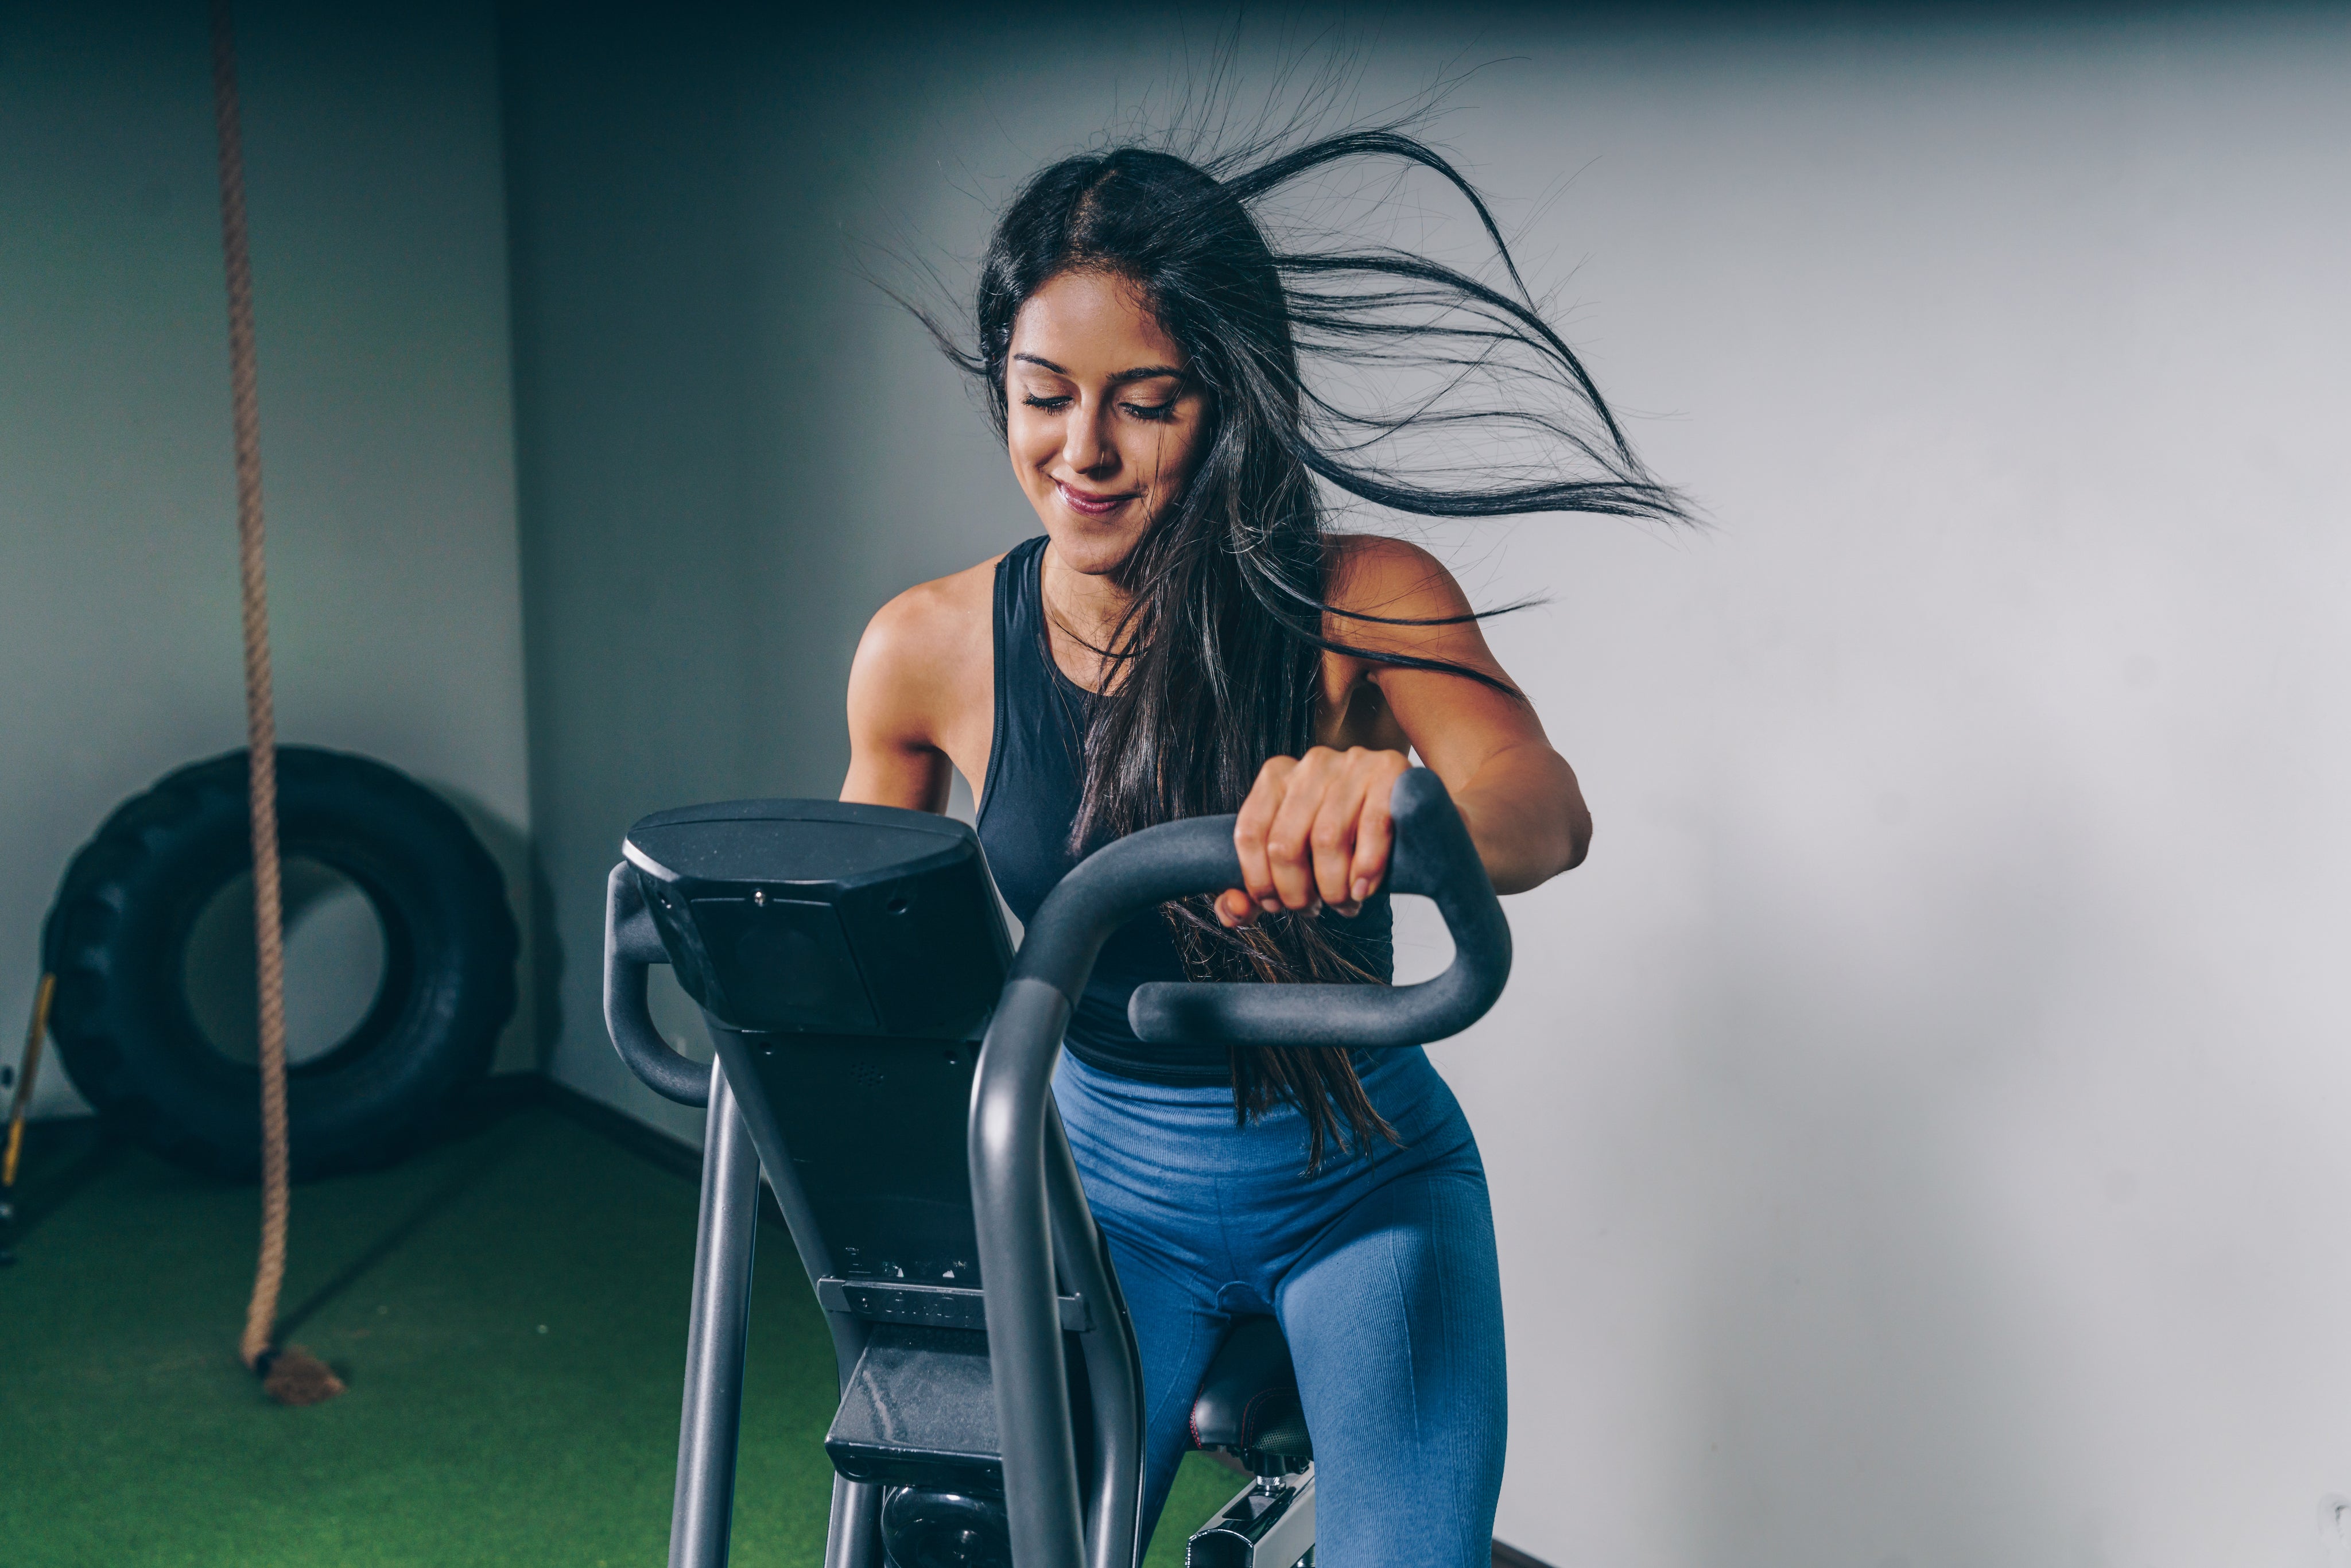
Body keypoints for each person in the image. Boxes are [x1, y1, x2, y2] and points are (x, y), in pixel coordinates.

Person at [840, 130, 1685, 1565]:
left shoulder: (1363, 596)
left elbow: (1543, 806)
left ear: (1227, 401)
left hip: (1360, 1189)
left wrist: (1400, 821)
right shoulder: (924, 650)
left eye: (1145, 404)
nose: (1081, 453)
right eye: (1042, 398)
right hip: (1101, 1203)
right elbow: (863, 943)